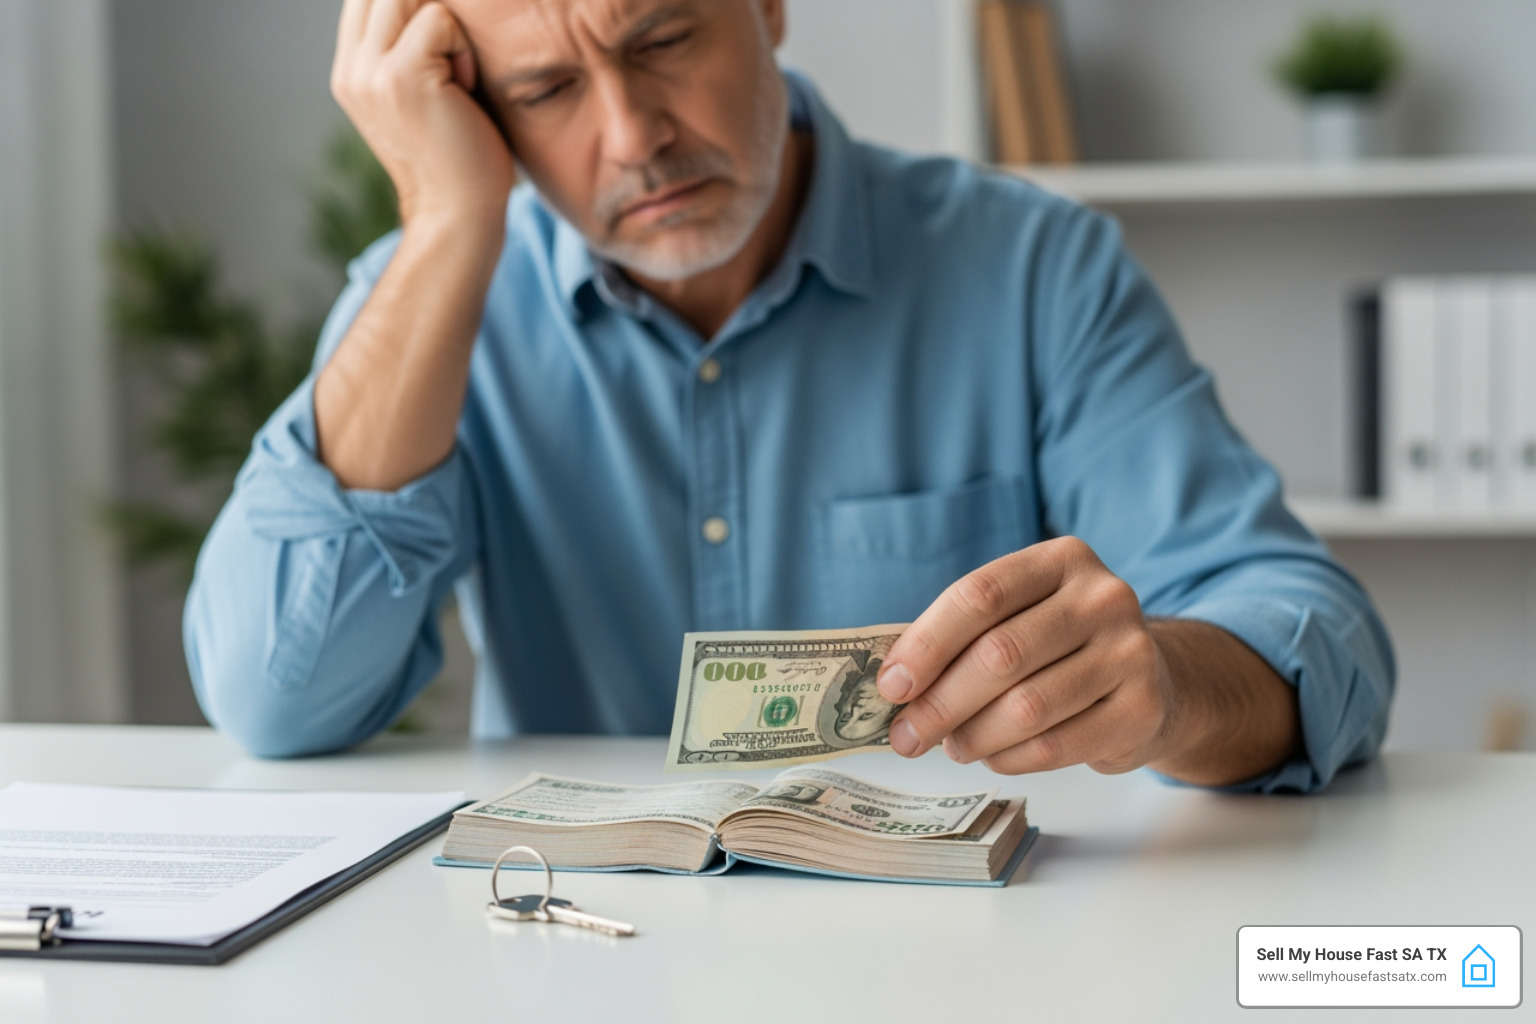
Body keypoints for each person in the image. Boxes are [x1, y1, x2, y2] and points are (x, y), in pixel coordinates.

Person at [185, 0, 1394, 793]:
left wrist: (1168, 686)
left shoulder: (1032, 267)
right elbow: (272, 695)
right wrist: (446, 223)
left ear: (766, 9)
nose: (632, 135)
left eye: (661, 38)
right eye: (545, 91)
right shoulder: (438, 300)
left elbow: (1312, 628)